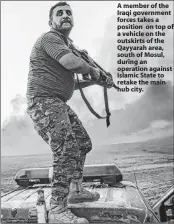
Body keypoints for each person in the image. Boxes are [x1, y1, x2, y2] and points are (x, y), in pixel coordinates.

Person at [26, 2, 112, 223]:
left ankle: (75, 190)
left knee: (82, 143)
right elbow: (72, 63)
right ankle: (57, 207)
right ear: (51, 21)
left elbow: (71, 83)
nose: (65, 15)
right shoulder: (50, 39)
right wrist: (94, 71)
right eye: (60, 13)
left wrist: (96, 82)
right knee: (65, 150)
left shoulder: (66, 45)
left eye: (69, 13)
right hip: (43, 102)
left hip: (56, 101)